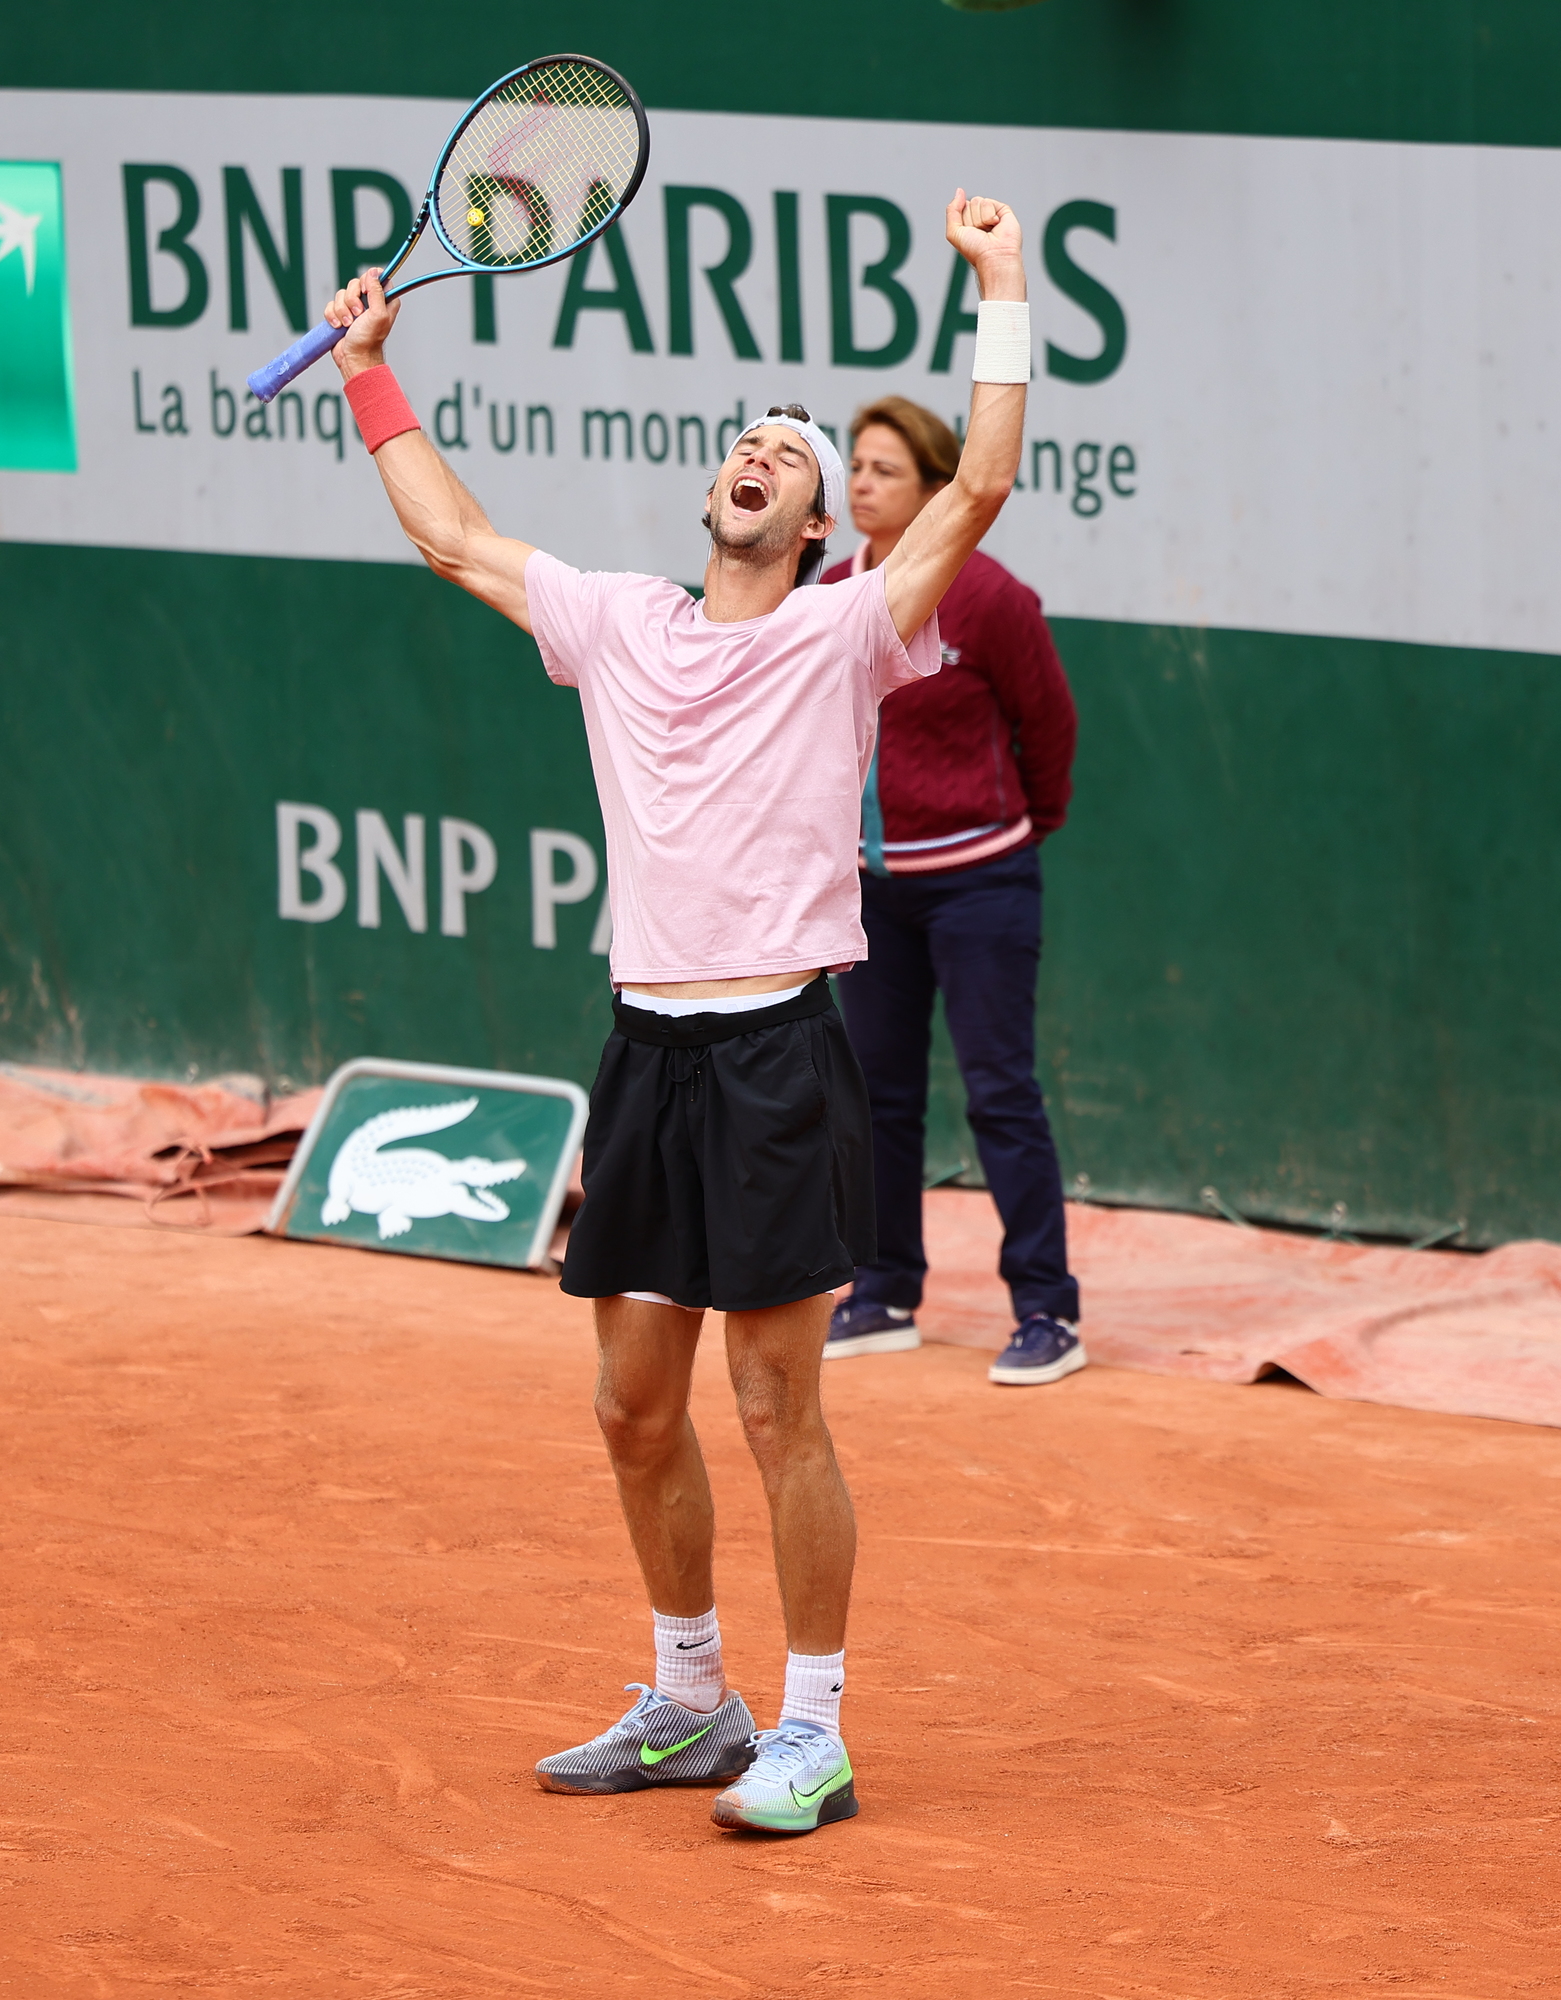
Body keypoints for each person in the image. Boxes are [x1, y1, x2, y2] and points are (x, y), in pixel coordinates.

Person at [310, 190, 1032, 1836]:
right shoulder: (620, 622)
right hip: (646, 1051)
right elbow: (453, 537)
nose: (764, 452)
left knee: (779, 1406)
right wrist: (369, 373)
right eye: (748, 440)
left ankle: (816, 1726)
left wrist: (999, 286)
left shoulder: (855, 633)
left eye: (793, 448)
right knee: (634, 1405)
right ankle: (690, 1697)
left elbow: (979, 483)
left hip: (781, 1051)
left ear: (813, 523)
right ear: (716, 491)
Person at [817, 397, 1086, 1386]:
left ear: (937, 489)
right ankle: (881, 1288)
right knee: (875, 1098)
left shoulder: (990, 598)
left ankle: (1048, 1309)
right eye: (855, 465)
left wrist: (1013, 831)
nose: (859, 483)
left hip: (981, 885)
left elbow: (1048, 724)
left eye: (885, 469)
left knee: (1000, 1093)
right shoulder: (830, 591)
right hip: (873, 892)